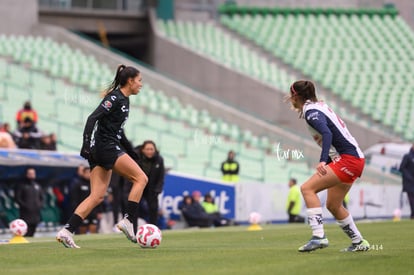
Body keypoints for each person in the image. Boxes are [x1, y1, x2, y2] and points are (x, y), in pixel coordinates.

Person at [56, 64, 148, 248]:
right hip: (106, 148)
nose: (141, 85)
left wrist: (130, 150)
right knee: (141, 178)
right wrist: (85, 143)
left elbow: (118, 131)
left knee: (97, 196)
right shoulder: (115, 98)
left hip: (102, 148)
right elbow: (92, 118)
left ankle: (66, 231)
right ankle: (128, 220)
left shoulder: (125, 100)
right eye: (139, 81)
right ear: (130, 81)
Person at [287, 80, 370, 252]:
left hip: (348, 159)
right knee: (333, 204)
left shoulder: (311, 112)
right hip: (354, 158)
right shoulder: (318, 106)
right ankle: (359, 242)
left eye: (291, 95)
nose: (289, 99)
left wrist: (323, 160)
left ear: (296, 96)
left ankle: (319, 236)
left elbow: (327, 133)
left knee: (307, 189)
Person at [134, 140, 165, 226]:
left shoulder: (159, 159)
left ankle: (153, 227)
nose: (149, 151)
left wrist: (158, 189)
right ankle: (133, 228)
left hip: (151, 188)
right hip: (138, 186)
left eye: (151, 149)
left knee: (153, 208)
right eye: (147, 149)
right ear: (143, 150)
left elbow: (161, 176)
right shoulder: (136, 157)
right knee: (134, 207)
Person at [70, 167, 103, 234]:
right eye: (87, 173)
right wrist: (76, 210)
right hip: (83, 210)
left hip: (93, 211)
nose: (89, 174)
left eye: (90, 173)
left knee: (93, 228)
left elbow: (98, 198)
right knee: (83, 229)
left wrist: (99, 211)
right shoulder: (78, 184)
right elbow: (74, 199)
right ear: (83, 173)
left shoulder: (94, 184)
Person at [14, 167, 44, 237]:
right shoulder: (21, 185)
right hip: (25, 214)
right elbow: (17, 198)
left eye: (33, 173)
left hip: (36, 213)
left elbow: (42, 197)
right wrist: (25, 206)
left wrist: (39, 205)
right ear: (26, 174)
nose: (32, 175)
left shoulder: (37, 185)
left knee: (32, 232)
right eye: (30, 173)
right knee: (26, 232)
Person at [399, 144, 414, 219]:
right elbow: (401, 168)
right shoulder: (407, 156)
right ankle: (412, 214)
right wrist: (409, 177)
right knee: (411, 199)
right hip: (409, 182)